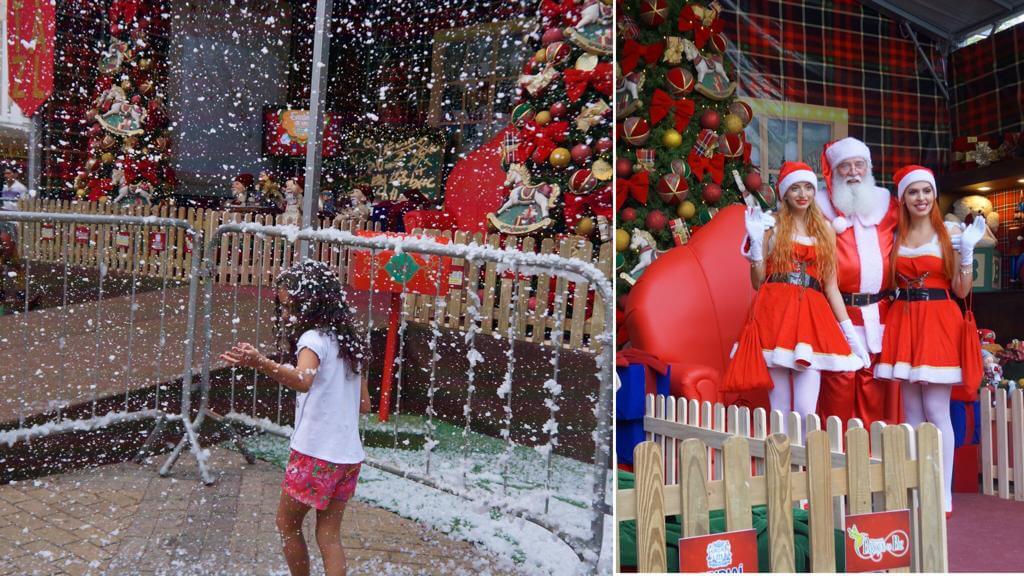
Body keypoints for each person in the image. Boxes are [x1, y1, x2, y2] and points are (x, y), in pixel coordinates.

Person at [219, 260, 371, 576]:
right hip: (348, 457)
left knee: (287, 525)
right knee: (328, 535)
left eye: (291, 307)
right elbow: (364, 405)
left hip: (315, 454)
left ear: (313, 303)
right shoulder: (349, 342)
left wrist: (260, 362)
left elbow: (303, 379)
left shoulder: (312, 339)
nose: (287, 315)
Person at [874, 165, 985, 516]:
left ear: (934, 194)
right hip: (904, 320)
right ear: (903, 199)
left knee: (937, 411)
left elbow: (962, 291)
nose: (920, 198)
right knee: (911, 413)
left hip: (939, 321)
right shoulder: (896, 236)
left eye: (926, 191)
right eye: (913, 192)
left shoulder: (949, 232)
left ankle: (941, 493)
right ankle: (916, 489)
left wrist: (966, 254)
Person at [731, 162, 868, 422]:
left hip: (811, 318)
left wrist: (850, 336)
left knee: (807, 410)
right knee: (779, 408)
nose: (802, 194)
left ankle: (805, 463)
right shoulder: (771, 225)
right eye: (795, 188)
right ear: (784, 193)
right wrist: (758, 244)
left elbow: (831, 288)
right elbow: (757, 282)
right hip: (774, 314)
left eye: (808, 187)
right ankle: (781, 463)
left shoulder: (826, 230)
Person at [814, 137, 900, 428]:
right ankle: (832, 459)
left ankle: (872, 459)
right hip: (837, 313)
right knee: (837, 387)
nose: (853, 172)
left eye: (858, 165)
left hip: (881, 313)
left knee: (874, 389)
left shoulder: (888, 206)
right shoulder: (821, 208)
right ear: (834, 172)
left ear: (869, 168)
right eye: (845, 166)